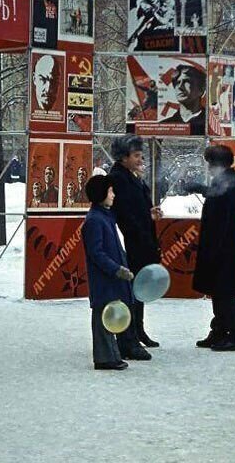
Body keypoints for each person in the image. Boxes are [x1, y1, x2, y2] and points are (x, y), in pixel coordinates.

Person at [191, 144, 235, 351]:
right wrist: (200, 189)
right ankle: (220, 330)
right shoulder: (226, 181)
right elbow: (215, 195)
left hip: (224, 247)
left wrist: (215, 248)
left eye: (210, 163)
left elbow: (223, 214)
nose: (208, 168)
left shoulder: (231, 184)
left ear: (218, 164)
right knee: (219, 292)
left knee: (227, 293)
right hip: (219, 246)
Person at [109, 134, 161, 356]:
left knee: (139, 290)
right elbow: (125, 213)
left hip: (141, 238)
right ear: (124, 157)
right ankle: (129, 336)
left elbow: (137, 207)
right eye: (137, 155)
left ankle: (138, 330)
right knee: (131, 291)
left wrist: (150, 212)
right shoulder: (119, 178)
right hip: (132, 242)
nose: (141, 159)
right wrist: (142, 223)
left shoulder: (132, 175)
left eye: (141, 155)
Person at [82, 174, 136, 371]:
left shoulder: (105, 216)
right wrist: (117, 269)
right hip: (104, 278)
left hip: (111, 277)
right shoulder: (95, 220)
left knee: (108, 316)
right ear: (101, 193)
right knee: (102, 317)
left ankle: (110, 354)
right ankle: (104, 357)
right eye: (111, 191)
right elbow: (96, 253)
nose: (114, 195)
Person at [162, 64, 206, 135]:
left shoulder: (210, 124)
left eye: (186, 81)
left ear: (201, 89)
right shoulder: (164, 125)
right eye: (177, 82)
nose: (179, 87)